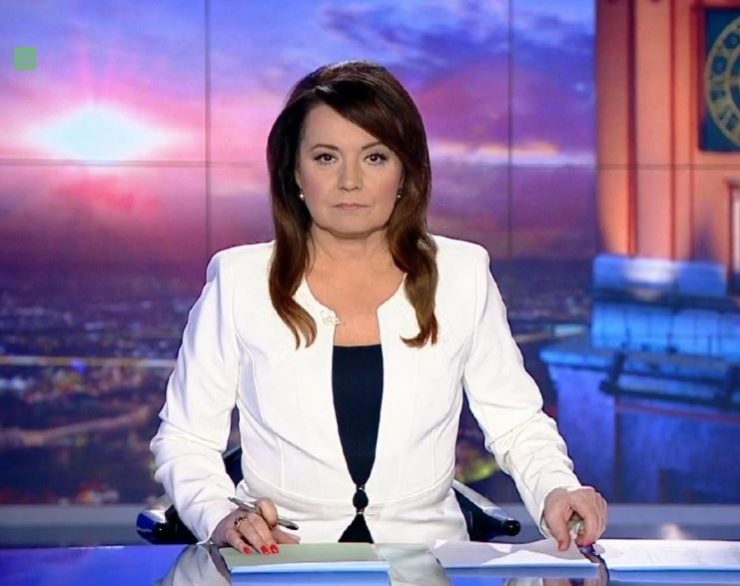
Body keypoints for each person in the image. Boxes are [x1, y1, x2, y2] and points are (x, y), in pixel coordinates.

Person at [150, 60, 607, 555]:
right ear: (295, 173)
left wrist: (557, 488)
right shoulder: (240, 281)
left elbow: (516, 423)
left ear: (405, 171)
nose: (350, 181)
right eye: (326, 157)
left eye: (374, 157)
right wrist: (220, 514)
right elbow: (186, 439)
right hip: (281, 559)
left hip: (426, 559)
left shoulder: (462, 274)